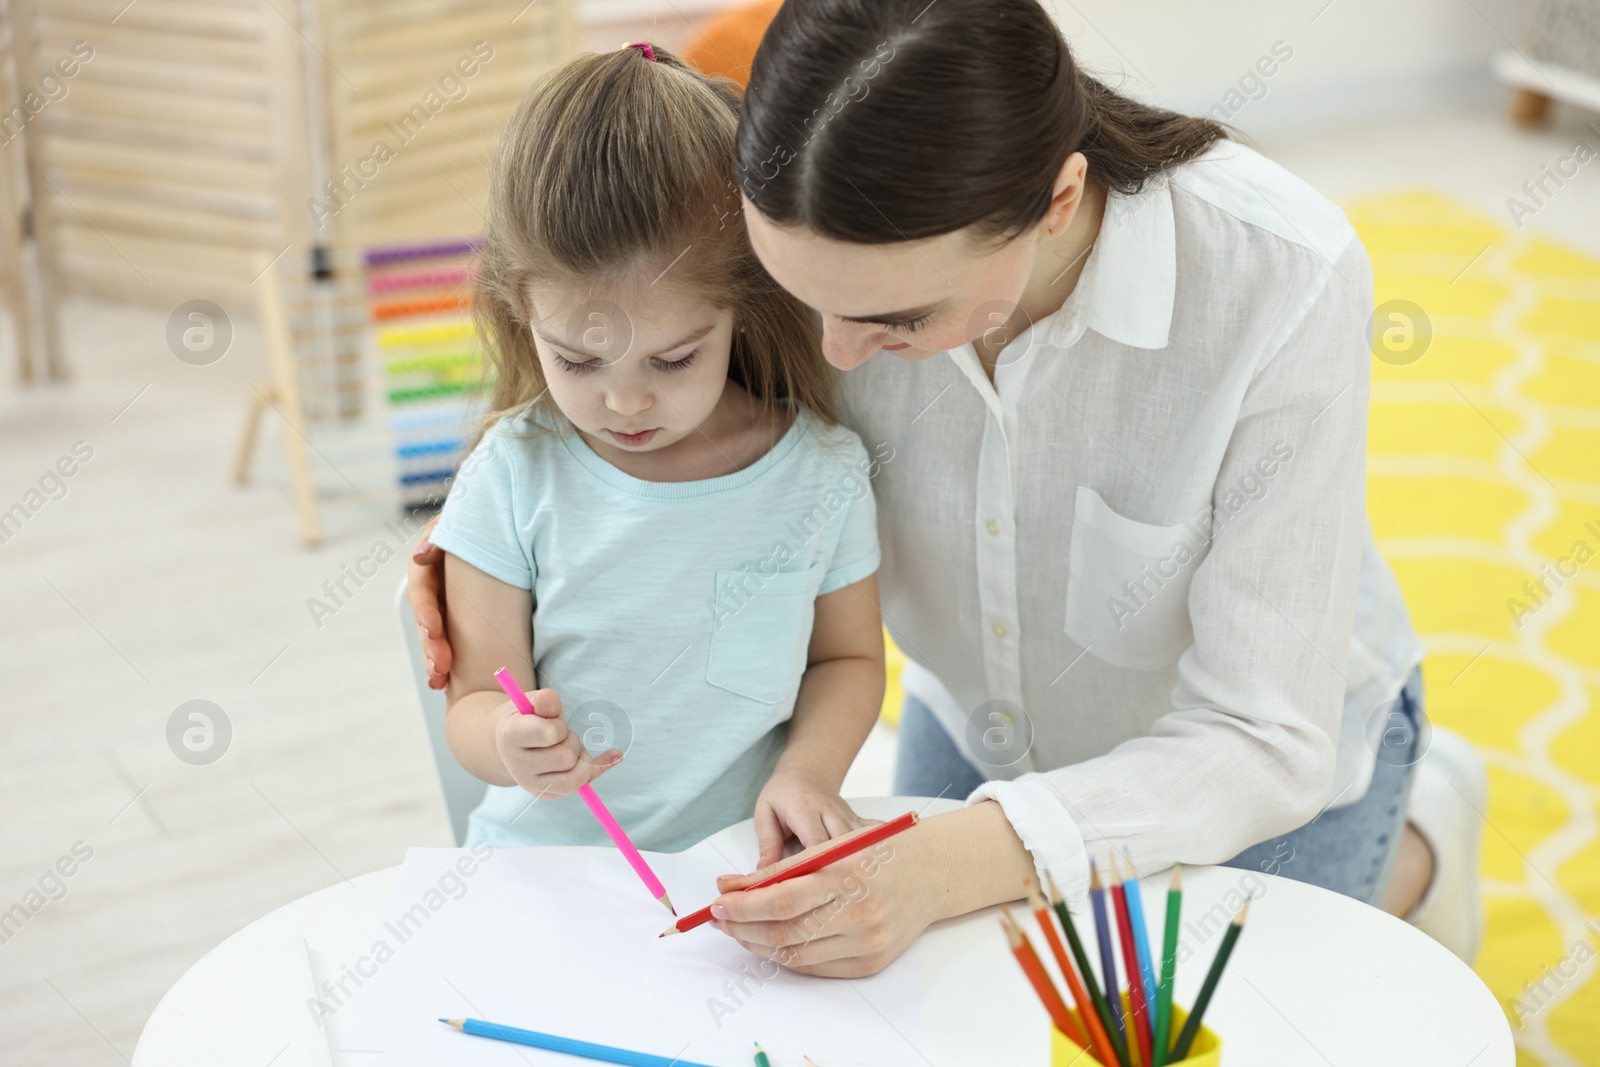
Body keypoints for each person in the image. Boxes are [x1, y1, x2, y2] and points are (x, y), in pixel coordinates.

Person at [412, 0, 1487, 976]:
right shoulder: (794, 200)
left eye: (896, 321)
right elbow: (612, 242)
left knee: (1197, 1018)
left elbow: (1260, 732)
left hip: (1247, 756)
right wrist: (483, 557)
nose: (828, 351)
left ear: (1056, 201)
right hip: (981, 718)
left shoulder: (1279, 271)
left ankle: (1422, 838)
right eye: (795, 296)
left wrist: (957, 860)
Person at [427, 44, 886, 863]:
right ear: (520, 307)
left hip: (740, 869)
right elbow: (471, 701)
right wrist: (505, 740)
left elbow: (847, 659)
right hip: (545, 876)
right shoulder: (512, 475)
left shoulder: (824, 473)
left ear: (743, 305)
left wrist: (808, 776)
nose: (625, 401)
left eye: (673, 360)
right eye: (577, 359)